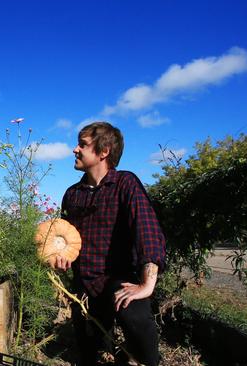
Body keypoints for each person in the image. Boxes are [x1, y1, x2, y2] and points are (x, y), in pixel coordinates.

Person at [54, 122, 165, 366]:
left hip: (120, 278)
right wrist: (60, 258)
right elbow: (66, 237)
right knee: (89, 350)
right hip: (85, 284)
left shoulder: (125, 184)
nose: (75, 149)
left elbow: (146, 229)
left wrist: (147, 284)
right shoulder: (72, 194)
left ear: (103, 151)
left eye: (82, 144)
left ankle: (147, 360)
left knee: (136, 320)